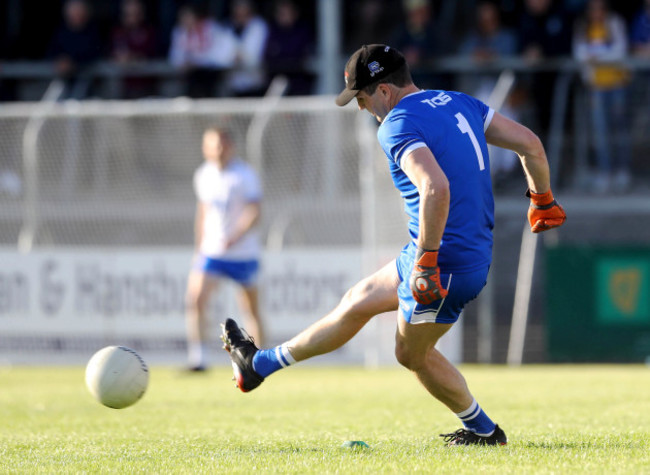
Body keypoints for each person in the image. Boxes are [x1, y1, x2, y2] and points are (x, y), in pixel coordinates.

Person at [221, 44, 566, 445]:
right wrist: (542, 199)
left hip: (445, 263)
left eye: (363, 99)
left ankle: (485, 431)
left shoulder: (397, 123)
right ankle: (257, 366)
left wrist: (427, 263)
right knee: (359, 299)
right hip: (447, 251)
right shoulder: (460, 102)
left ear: (384, 91)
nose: (364, 110)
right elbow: (531, 144)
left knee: (410, 354)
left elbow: (435, 187)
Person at [186, 126, 264, 372]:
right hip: (212, 252)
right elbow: (203, 213)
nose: (217, 150)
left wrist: (235, 236)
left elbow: (255, 211)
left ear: (230, 146)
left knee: (250, 309)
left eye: (221, 144)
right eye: (211, 145)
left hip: (242, 253)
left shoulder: (244, 175)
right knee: (196, 299)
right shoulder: (203, 175)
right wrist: (199, 247)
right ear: (205, 148)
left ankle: (259, 361)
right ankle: (198, 359)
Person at [573, 0, 631, 193]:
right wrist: (598, 56)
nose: (596, 12)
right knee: (600, 131)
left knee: (619, 127)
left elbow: (619, 51)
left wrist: (597, 57)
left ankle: (622, 170)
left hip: (616, 84)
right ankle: (604, 171)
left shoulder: (615, 23)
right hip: (596, 86)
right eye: (593, 8)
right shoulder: (583, 27)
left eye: (600, 8)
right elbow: (580, 53)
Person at [168, 4, 236, 98]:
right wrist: (185, 63)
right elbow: (175, 59)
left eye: (188, 17)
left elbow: (219, 55)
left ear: (196, 17)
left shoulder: (211, 27)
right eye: (182, 17)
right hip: (190, 77)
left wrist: (197, 61)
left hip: (212, 73)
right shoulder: (179, 32)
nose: (185, 20)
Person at [47, 0, 104, 99]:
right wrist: (60, 61)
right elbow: (52, 52)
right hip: (62, 80)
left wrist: (73, 63)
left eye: (79, 10)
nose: (76, 13)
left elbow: (95, 53)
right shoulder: (60, 32)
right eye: (73, 10)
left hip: (88, 82)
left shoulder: (94, 31)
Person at [110, 0, 158, 99]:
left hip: (147, 88)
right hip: (121, 88)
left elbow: (154, 53)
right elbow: (109, 53)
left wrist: (135, 57)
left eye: (135, 14)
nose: (132, 18)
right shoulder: (117, 32)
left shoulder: (150, 32)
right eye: (128, 14)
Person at [226, 0, 269, 97]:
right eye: (237, 7)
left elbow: (254, 57)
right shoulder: (230, 26)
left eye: (242, 7)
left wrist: (239, 56)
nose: (239, 11)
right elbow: (224, 56)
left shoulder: (258, 26)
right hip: (235, 84)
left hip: (255, 83)